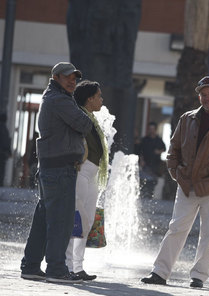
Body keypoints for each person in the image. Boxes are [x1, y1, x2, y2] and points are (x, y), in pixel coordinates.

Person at [141, 76, 209, 288]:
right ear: (199, 96)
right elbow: (174, 149)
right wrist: (175, 172)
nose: (207, 98)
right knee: (176, 227)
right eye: (203, 94)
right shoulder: (186, 119)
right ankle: (160, 273)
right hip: (187, 184)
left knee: (208, 232)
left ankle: (199, 276)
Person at [20, 62, 93, 284]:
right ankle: (56, 269)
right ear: (56, 77)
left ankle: (31, 266)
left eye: (75, 78)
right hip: (60, 169)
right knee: (61, 221)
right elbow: (84, 123)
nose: (72, 81)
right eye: (67, 77)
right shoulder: (59, 99)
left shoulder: (55, 97)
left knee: (43, 220)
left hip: (52, 167)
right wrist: (81, 120)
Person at [65, 80, 107, 281]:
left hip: (92, 174)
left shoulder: (91, 118)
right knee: (76, 221)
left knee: (87, 221)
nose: (101, 99)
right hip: (81, 172)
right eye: (98, 96)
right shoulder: (78, 116)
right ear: (89, 99)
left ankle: (78, 267)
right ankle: (66, 266)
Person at [138, 122, 166, 199]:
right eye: (150, 129)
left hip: (155, 165)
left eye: (153, 129)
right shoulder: (145, 140)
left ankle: (149, 197)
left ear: (155, 130)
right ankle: (143, 196)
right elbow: (140, 151)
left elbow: (164, 149)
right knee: (144, 180)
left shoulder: (159, 140)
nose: (151, 131)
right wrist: (141, 160)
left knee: (153, 182)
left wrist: (158, 151)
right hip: (146, 164)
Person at [0, 112, 11, 186]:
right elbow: (6, 141)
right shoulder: (4, 128)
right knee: (1, 169)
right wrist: (8, 151)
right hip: (2, 153)